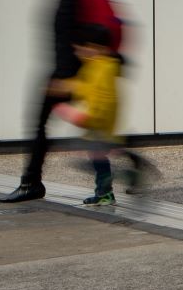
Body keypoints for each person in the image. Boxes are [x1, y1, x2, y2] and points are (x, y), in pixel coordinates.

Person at [0, 0, 98, 204]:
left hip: (67, 75)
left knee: (39, 125)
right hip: (79, 73)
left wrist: (61, 77)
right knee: (94, 124)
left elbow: (66, 39)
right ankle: (31, 181)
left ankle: (31, 183)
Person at [55, 26, 152, 206]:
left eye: (80, 48)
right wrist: (69, 86)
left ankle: (124, 178)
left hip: (100, 124)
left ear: (94, 47)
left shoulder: (104, 68)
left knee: (87, 161)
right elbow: (87, 89)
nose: (77, 53)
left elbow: (105, 99)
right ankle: (105, 193)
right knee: (97, 159)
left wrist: (88, 118)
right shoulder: (94, 66)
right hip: (98, 124)